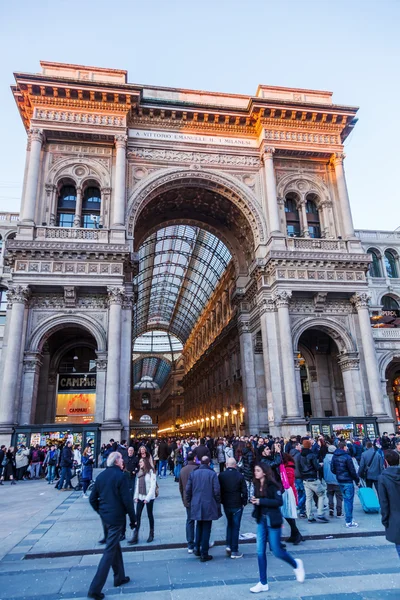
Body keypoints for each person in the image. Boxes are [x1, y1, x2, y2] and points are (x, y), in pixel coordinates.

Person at [249, 462, 305, 593]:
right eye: (255, 470)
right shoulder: (257, 485)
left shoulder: (273, 486)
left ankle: (296, 565)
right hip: (261, 520)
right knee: (260, 551)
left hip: (272, 520)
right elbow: (259, 501)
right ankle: (263, 582)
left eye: (257, 470)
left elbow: (278, 502)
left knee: (276, 550)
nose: (255, 473)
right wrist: (255, 501)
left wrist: (260, 501)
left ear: (264, 472)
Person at [88, 452, 135, 599]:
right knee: (109, 551)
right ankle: (94, 589)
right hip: (116, 519)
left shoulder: (101, 476)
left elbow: (92, 499)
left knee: (115, 547)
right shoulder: (120, 476)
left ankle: (119, 577)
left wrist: (101, 511)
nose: (123, 461)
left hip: (106, 518)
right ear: (116, 462)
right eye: (121, 458)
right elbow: (127, 501)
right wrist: (133, 520)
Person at [186, 456, 221, 562]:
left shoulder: (193, 473)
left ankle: (197, 548)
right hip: (208, 503)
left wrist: (189, 501)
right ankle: (204, 552)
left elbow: (188, 490)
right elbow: (217, 490)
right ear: (209, 463)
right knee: (206, 527)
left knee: (199, 526)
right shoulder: (212, 474)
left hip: (196, 503)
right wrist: (217, 501)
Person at [218, 457, 247, 558]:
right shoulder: (239, 476)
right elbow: (244, 491)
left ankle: (228, 545)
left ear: (226, 464)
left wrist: (221, 501)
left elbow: (218, 490)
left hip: (226, 503)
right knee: (236, 526)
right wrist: (244, 502)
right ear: (235, 465)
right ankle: (234, 550)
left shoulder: (221, 476)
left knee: (229, 524)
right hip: (237, 504)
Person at [298, 439, 328, 523]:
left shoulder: (300, 455)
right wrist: (320, 465)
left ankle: (310, 516)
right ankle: (320, 513)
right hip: (313, 478)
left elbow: (299, 467)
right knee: (321, 494)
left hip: (305, 479)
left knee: (308, 498)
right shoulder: (311, 455)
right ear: (310, 446)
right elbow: (316, 467)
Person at [331, 441, 360, 528]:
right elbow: (352, 470)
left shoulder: (334, 456)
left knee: (346, 499)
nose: (347, 448)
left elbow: (332, 469)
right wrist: (357, 480)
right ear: (344, 447)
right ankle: (349, 520)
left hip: (340, 480)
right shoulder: (347, 457)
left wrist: (339, 474)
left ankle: (349, 518)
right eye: (346, 447)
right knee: (348, 501)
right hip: (347, 480)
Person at [377, 450, 400, 560]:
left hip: (395, 519)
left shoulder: (383, 478)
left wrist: (385, 520)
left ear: (386, 461)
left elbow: (384, 502)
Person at [129, 457, 157, 545]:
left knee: (149, 515)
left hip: (149, 497)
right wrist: (136, 496)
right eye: (139, 462)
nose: (140, 463)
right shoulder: (139, 472)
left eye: (141, 462)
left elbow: (153, 486)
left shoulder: (151, 472)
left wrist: (147, 498)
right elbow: (137, 486)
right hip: (140, 496)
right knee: (137, 516)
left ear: (145, 463)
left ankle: (151, 533)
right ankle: (135, 535)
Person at [179, 451, 199, 553]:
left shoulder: (182, 470)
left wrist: (183, 499)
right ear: (194, 459)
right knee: (199, 521)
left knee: (190, 520)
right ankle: (198, 543)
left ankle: (190, 544)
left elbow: (181, 487)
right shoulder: (197, 469)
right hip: (197, 498)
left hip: (187, 499)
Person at [323, 445, 343, 517]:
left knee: (330, 494)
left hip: (328, 479)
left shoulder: (325, 459)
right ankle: (339, 511)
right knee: (339, 496)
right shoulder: (337, 458)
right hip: (337, 479)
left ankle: (331, 508)